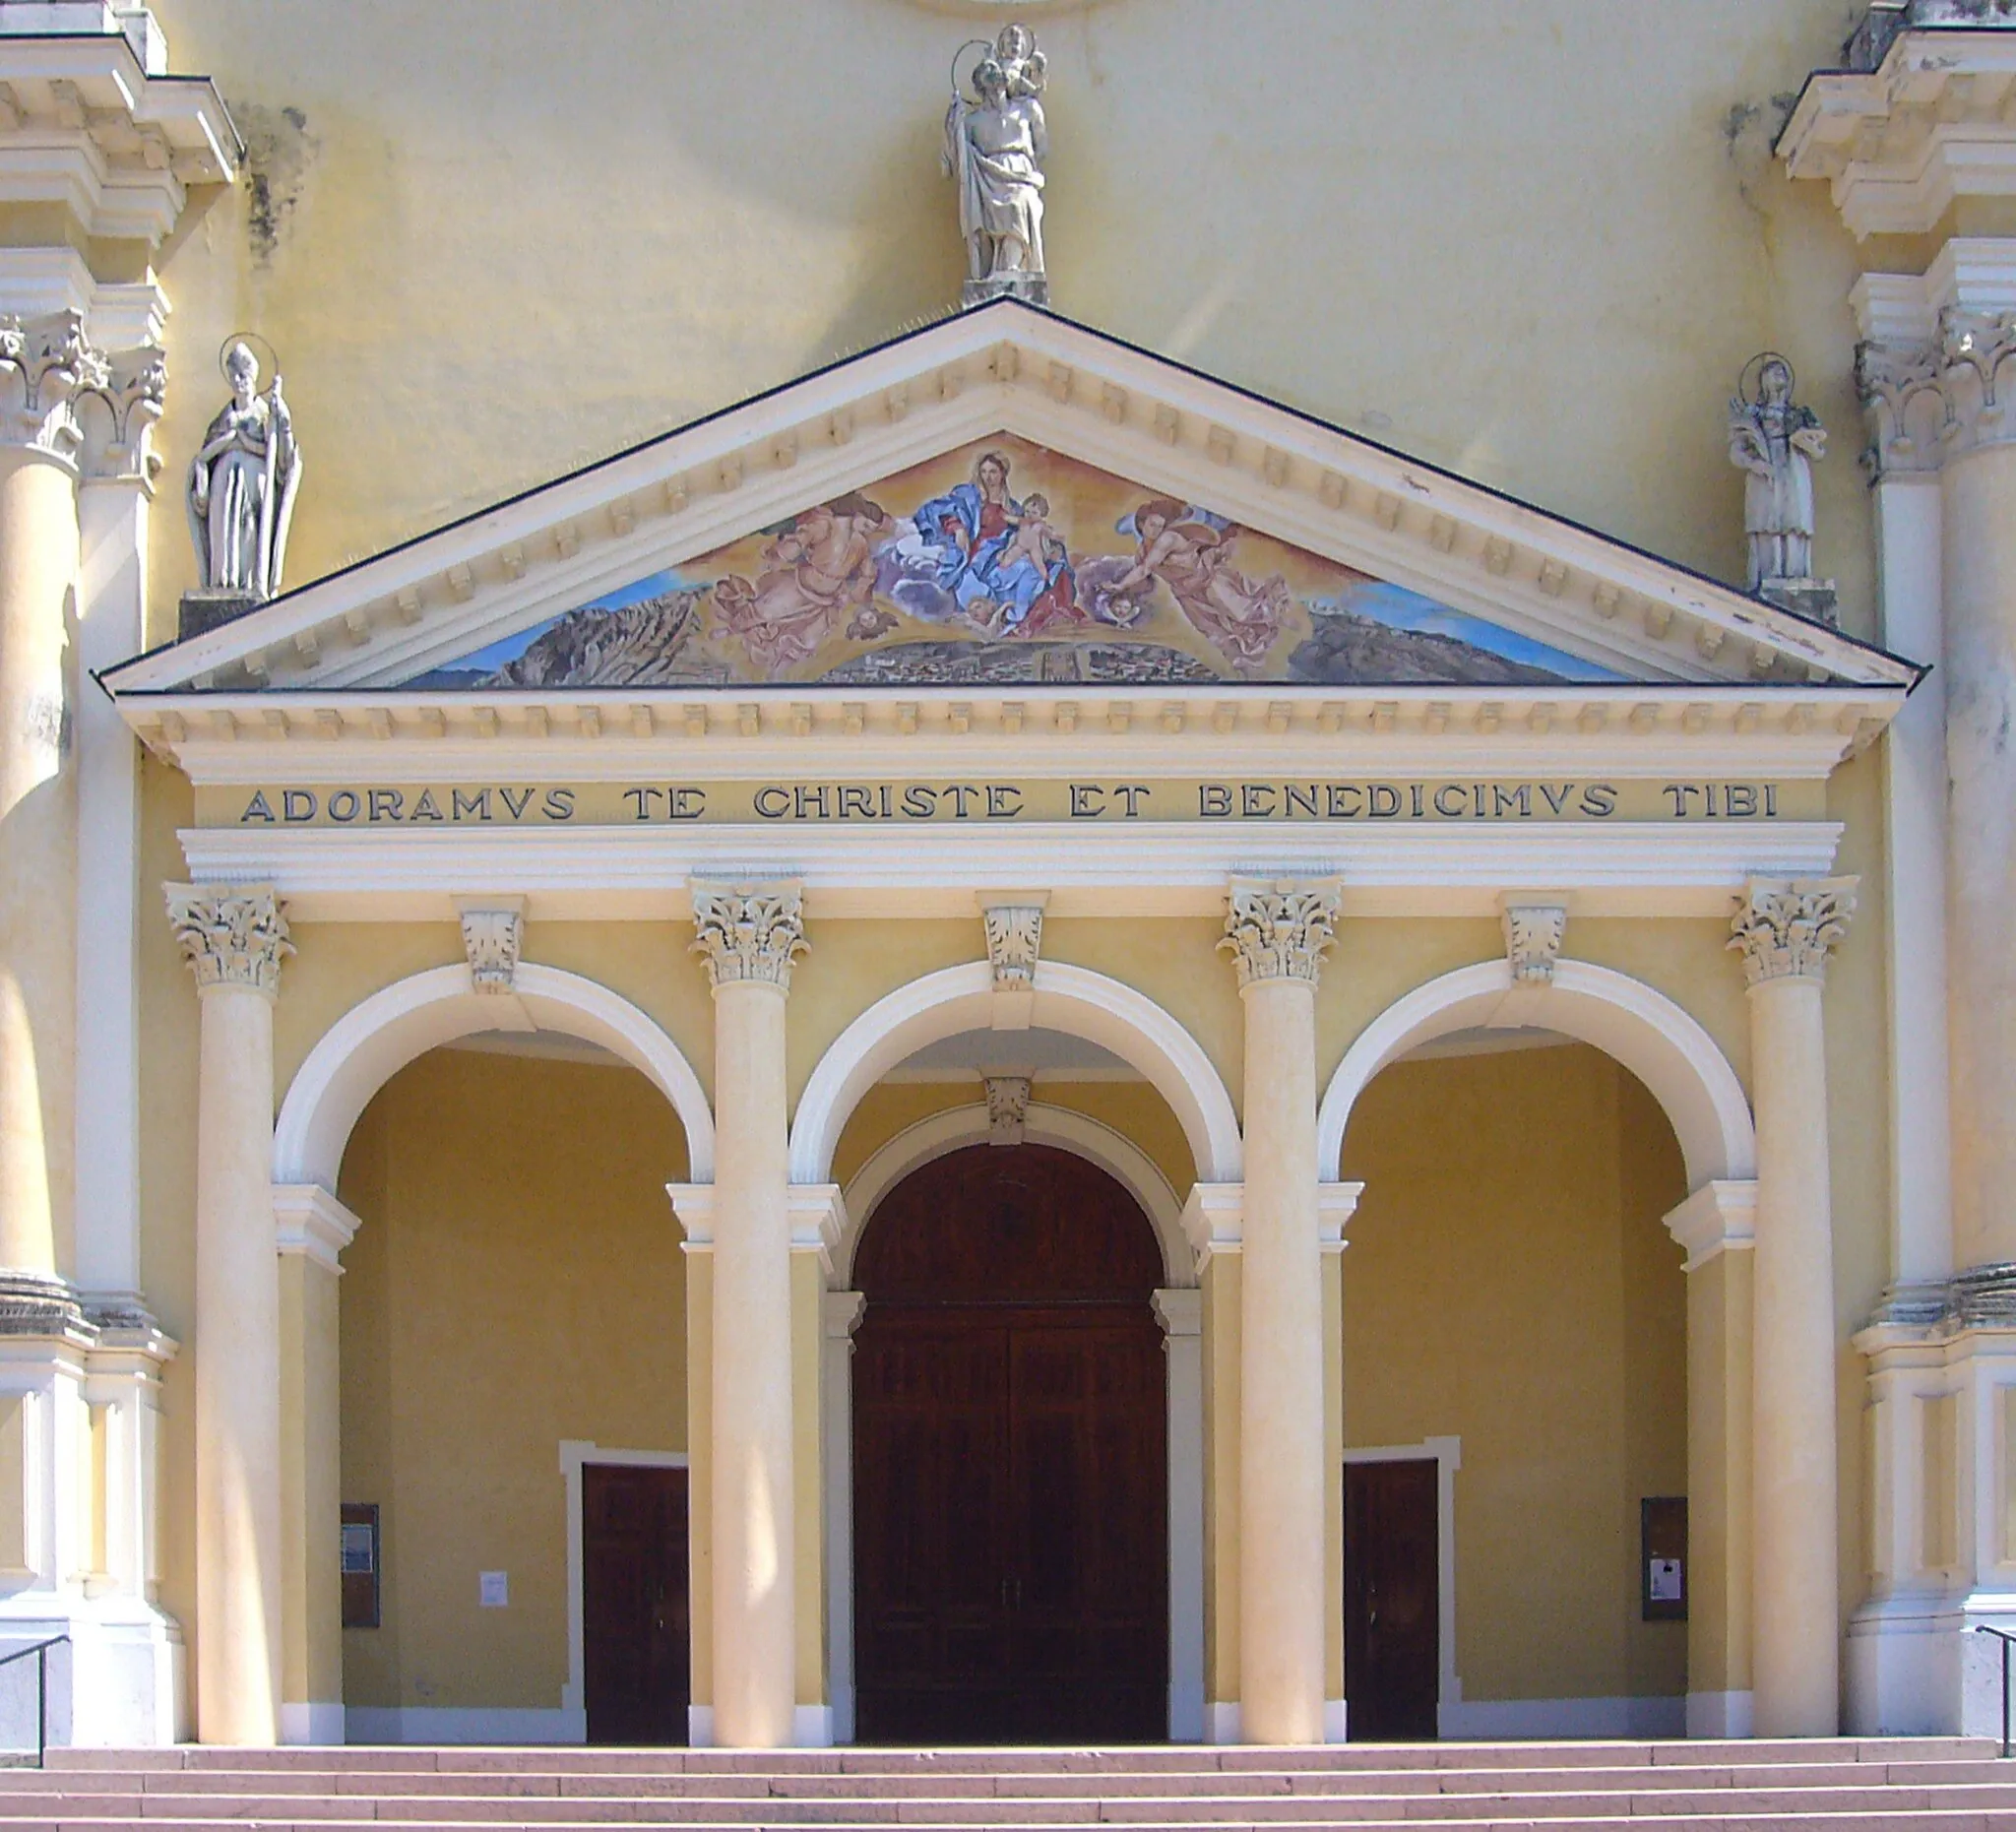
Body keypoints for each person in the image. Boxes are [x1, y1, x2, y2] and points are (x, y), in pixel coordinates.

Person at [712, 494, 894, 672]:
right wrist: (781, 555)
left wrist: (860, 592)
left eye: (871, 529)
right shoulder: (827, 525)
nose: (867, 531)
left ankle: (779, 673)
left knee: (807, 640)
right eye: (866, 525)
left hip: (824, 600)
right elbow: (802, 538)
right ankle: (729, 629)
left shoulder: (860, 544)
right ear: (858, 514)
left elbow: (868, 571)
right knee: (764, 610)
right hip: (801, 585)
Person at [1107, 499, 1291, 673]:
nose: (1157, 530)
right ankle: (1246, 667)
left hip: (1208, 582)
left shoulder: (1168, 539)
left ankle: (1278, 619)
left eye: (1161, 526)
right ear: (1141, 524)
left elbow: (1144, 570)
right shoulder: (1141, 553)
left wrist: (1120, 585)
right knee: (1215, 633)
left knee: (1242, 613)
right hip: (1187, 596)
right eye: (1152, 525)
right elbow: (1144, 577)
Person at [186, 340, 301, 600]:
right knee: (223, 535)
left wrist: (283, 425)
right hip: (224, 482)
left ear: (252, 379)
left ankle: (250, 583)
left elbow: (282, 462)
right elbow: (204, 457)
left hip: (253, 482)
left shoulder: (265, 416)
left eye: (244, 376)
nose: (239, 381)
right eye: (235, 376)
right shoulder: (222, 420)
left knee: (249, 531)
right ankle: (222, 584)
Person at [943, 54, 1046, 293]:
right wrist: (954, 125)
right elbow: (960, 157)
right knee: (994, 208)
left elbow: (1042, 146)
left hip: (1021, 174)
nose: (994, 83)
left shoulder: (1025, 110)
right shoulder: (973, 121)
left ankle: (1013, 266)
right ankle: (997, 270)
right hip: (986, 177)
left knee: (1021, 202)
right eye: (986, 79)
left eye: (995, 76)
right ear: (980, 88)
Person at [1728, 355, 1825, 590]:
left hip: (1793, 466)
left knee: (1794, 518)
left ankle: (1795, 572)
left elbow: (1818, 450)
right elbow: (1737, 451)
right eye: (1773, 372)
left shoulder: (1800, 415)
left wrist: (1806, 441)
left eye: (1783, 372)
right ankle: (1768, 572)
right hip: (1766, 469)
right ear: (1762, 381)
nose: (1779, 376)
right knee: (1767, 519)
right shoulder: (1753, 416)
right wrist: (1755, 463)